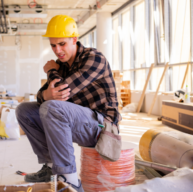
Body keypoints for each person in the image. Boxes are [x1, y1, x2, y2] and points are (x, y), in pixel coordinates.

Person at [16, 15, 121, 192]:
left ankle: (70, 181)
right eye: (53, 45)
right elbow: (42, 96)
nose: (57, 50)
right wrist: (48, 93)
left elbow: (63, 90)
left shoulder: (94, 58)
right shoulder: (62, 66)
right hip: (77, 122)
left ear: (74, 39)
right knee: (24, 110)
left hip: (102, 127)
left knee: (51, 107)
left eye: (62, 44)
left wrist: (50, 71)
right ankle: (49, 169)